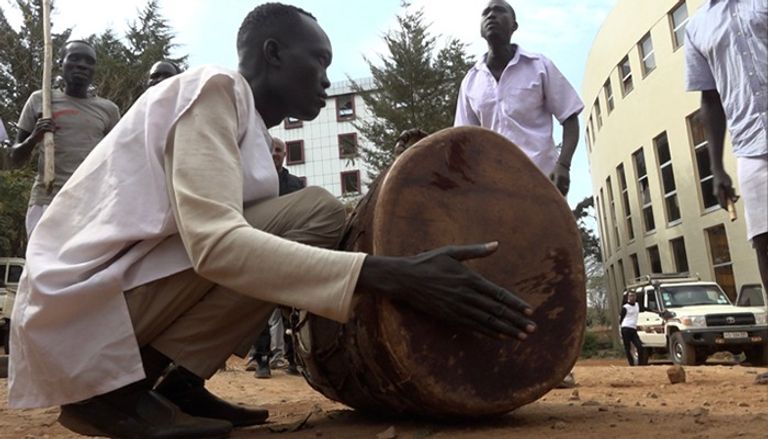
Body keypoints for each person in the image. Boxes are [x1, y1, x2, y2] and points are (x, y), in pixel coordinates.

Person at [8, 4, 537, 439]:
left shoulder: (251, 131)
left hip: (119, 295)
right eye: (320, 60)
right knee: (300, 220)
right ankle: (113, 393)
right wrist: (394, 275)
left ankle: (173, 382)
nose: (327, 80)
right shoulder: (212, 88)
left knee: (315, 212)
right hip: (76, 307)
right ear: (274, 53)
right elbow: (215, 246)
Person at [454, 0, 583, 196]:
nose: (491, 15)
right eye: (486, 12)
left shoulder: (539, 66)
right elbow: (463, 140)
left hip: (543, 184)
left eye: (499, 10)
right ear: (480, 30)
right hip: (495, 191)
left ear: (514, 25)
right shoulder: (471, 81)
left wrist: (563, 165)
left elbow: (570, 117)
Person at [685, 0, 768, 292]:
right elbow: (709, 99)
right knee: (763, 240)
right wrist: (716, 167)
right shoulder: (696, 27)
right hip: (750, 146)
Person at [8, 40, 121, 236]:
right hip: (46, 199)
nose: (82, 65)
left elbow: (118, 160)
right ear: (60, 64)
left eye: (89, 61)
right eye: (74, 58)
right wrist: (34, 138)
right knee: (41, 264)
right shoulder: (40, 99)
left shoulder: (109, 110)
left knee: (86, 265)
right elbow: (14, 158)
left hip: (90, 202)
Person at [249, 137, 306, 379]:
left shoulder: (295, 184)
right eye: (271, 150)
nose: (275, 154)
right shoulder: (254, 182)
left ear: (285, 154)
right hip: (259, 250)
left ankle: (294, 359)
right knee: (258, 309)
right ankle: (262, 361)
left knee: (290, 306)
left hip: (287, 250)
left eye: (279, 151)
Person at [620, 291, 643, 367]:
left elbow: (646, 308)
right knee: (628, 347)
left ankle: (641, 364)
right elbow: (621, 319)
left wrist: (658, 311)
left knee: (639, 346)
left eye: (633, 296)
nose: (632, 297)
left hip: (633, 329)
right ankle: (631, 364)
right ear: (628, 298)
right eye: (630, 296)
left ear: (636, 297)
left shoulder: (637, 305)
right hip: (625, 328)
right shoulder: (625, 307)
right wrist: (620, 330)